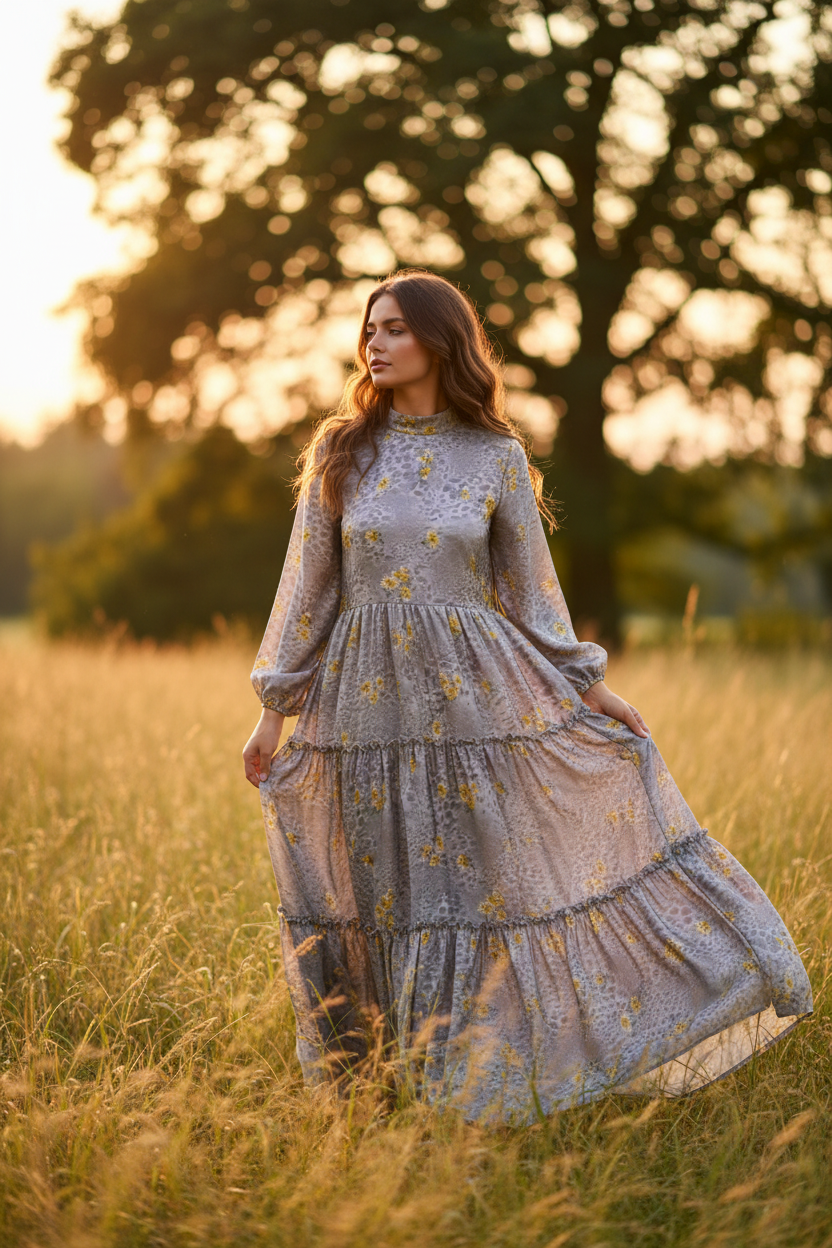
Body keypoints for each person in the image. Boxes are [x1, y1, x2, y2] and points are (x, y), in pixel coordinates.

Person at [242, 269, 812, 1123]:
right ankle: (385, 1093)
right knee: (378, 895)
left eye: (394, 328)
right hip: (361, 713)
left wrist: (594, 691)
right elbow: (307, 591)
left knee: (473, 898)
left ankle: (471, 1091)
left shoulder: (496, 457)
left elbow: (533, 599)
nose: (375, 343)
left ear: (439, 339)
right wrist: (271, 713)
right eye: (370, 329)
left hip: (478, 710)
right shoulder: (340, 452)